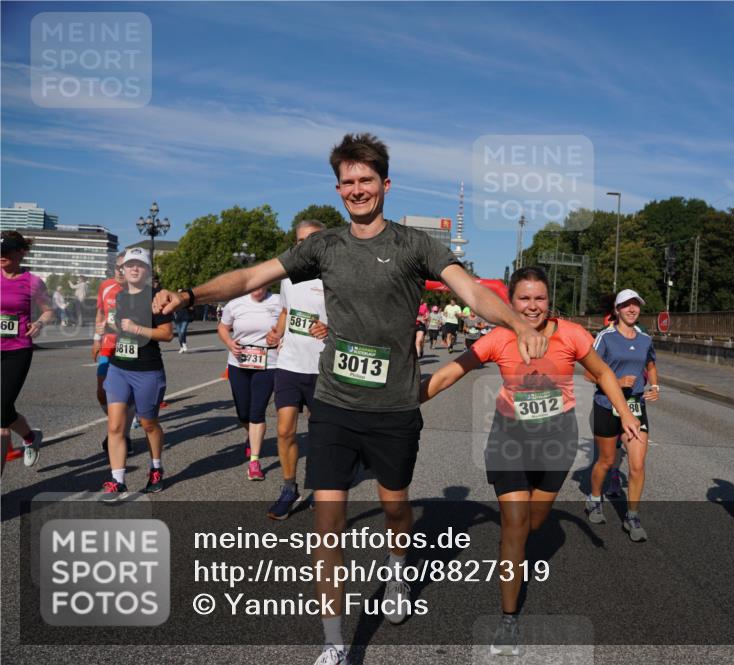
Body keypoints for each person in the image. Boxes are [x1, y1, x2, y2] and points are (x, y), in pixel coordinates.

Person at [153, 132, 546, 665]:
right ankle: (335, 644)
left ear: (386, 184)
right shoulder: (324, 246)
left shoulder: (416, 246)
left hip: (393, 412)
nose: (357, 189)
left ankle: (399, 567)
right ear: (338, 189)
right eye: (348, 182)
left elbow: (472, 291)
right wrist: (189, 295)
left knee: (396, 511)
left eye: (366, 180)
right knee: (328, 526)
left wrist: (514, 322)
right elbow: (252, 275)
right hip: (334, 406)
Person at [420, 266, 640, 656]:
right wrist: (410, 400)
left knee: (536, 522)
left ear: (549, 300)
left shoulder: (572, 334)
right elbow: (452, 372)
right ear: (511, 301)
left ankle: (516, 544)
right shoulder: (500, 338)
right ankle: (508, 618)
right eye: (524, 298)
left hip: (557, 441)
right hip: (510, 439)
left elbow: (603, 372)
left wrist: (625, 413)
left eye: (539, 298)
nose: (532, 305)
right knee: (516, 526)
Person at [264, 219, 329, 518]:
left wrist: (329, 328)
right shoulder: (288, 277)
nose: (304, 244)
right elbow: (287, 312)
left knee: (320, 432)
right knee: (285, 429)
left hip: (322, 367)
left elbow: (351, 318)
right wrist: (277, 332)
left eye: (311, 239)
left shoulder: (334, 277)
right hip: (289, 364)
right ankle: (289, 488)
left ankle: (323, 485)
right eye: (300, 240)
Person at [100, 247, 173, 500]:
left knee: (148, 424)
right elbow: (119, 326)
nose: (133, 268)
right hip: (119, 368)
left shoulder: (157, 298)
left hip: (147, 370)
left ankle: (156, 468)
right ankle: (117, 480)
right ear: (122, 269)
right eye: (129, 264)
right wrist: (107, 328)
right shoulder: (119, 297)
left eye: (139, 265)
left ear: (146, 270)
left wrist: (138, 328)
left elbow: (167, 334)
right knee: (115, 425)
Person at [585, 288, 658, 541]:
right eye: (626, 305)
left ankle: (632, 516)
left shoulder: (645, 339)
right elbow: (588, 373)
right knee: (606, 461)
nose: (631, 309)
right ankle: (595, 498)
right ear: (616, 310)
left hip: (636, 406)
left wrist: (655, 386)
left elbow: (650, 364)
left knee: (637, 465)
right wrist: (615, 380)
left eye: (635, 305)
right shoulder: (604, 337)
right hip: (607, 405)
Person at [1, 231, 53, 471]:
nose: (1, 256)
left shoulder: (32, 282)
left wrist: (40, 323)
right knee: (4, 410)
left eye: (6, 252)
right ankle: (31, 437)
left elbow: (48, 310)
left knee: (1, 411)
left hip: (17, 350)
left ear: (20, 252)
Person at [218, 286, 281, 480]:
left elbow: (287, 326)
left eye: (262, 284)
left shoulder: (279, 301)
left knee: (257, 412)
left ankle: (254, 461)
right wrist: (229, 343)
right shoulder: (235, 304)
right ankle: (249, 434)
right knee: (243, 412)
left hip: (268, 364)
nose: (257, 288)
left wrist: (281, 338)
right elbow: (222, 327)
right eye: (254, 284)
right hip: (239, 363)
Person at [93, 252, 135, 454]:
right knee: (102, 392)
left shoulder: (140, 290)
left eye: (123, 267)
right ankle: (116, 427)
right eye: (117, 267)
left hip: (130, 346)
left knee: (129, 396)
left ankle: (121, 434)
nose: (119, 271)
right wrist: (95, 339)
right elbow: (100, 313)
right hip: (108, 345)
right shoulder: (106, 286)